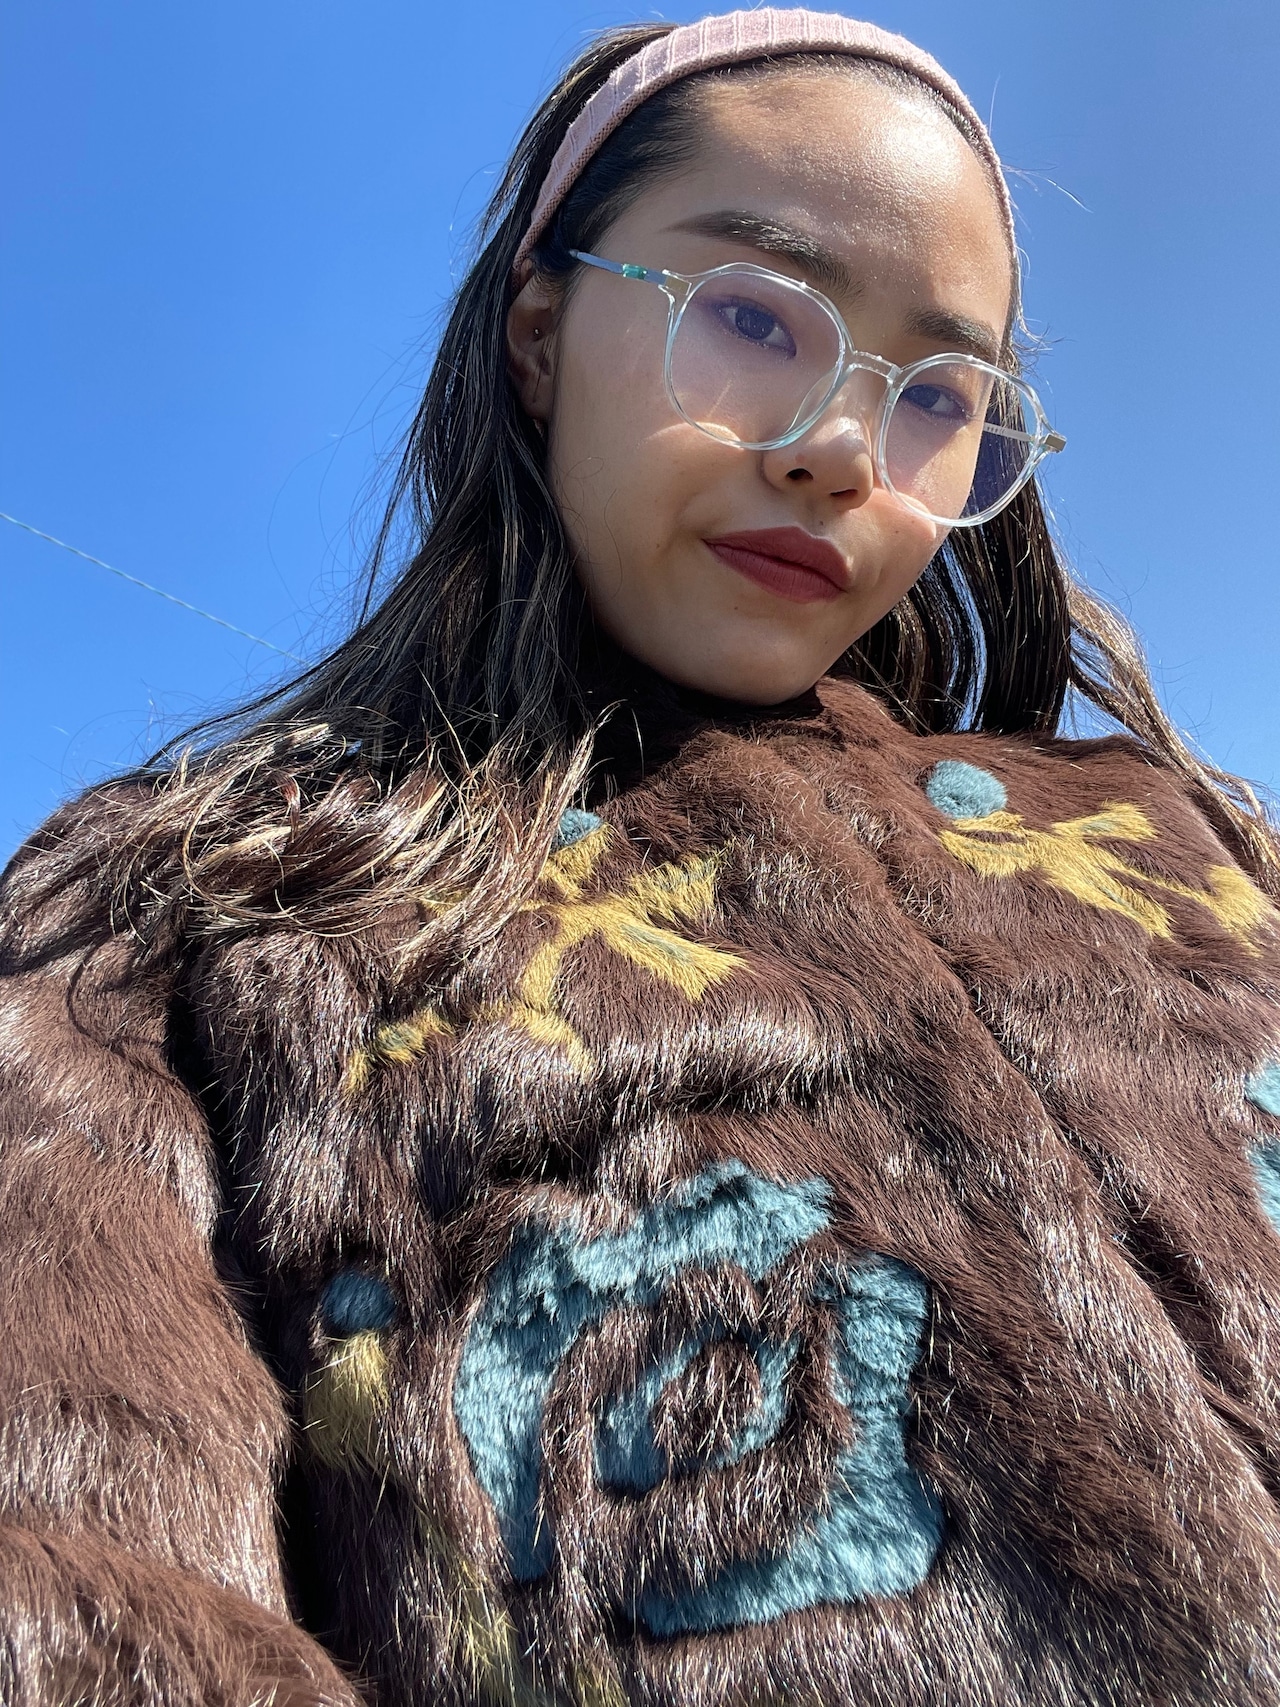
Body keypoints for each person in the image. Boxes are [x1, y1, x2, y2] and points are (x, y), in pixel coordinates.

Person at [2, 10, 1279, 1705]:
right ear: (541, 337)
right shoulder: (185, 916)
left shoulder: (1198, 853)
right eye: (752, 315)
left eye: (936, 394)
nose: (842, 448)